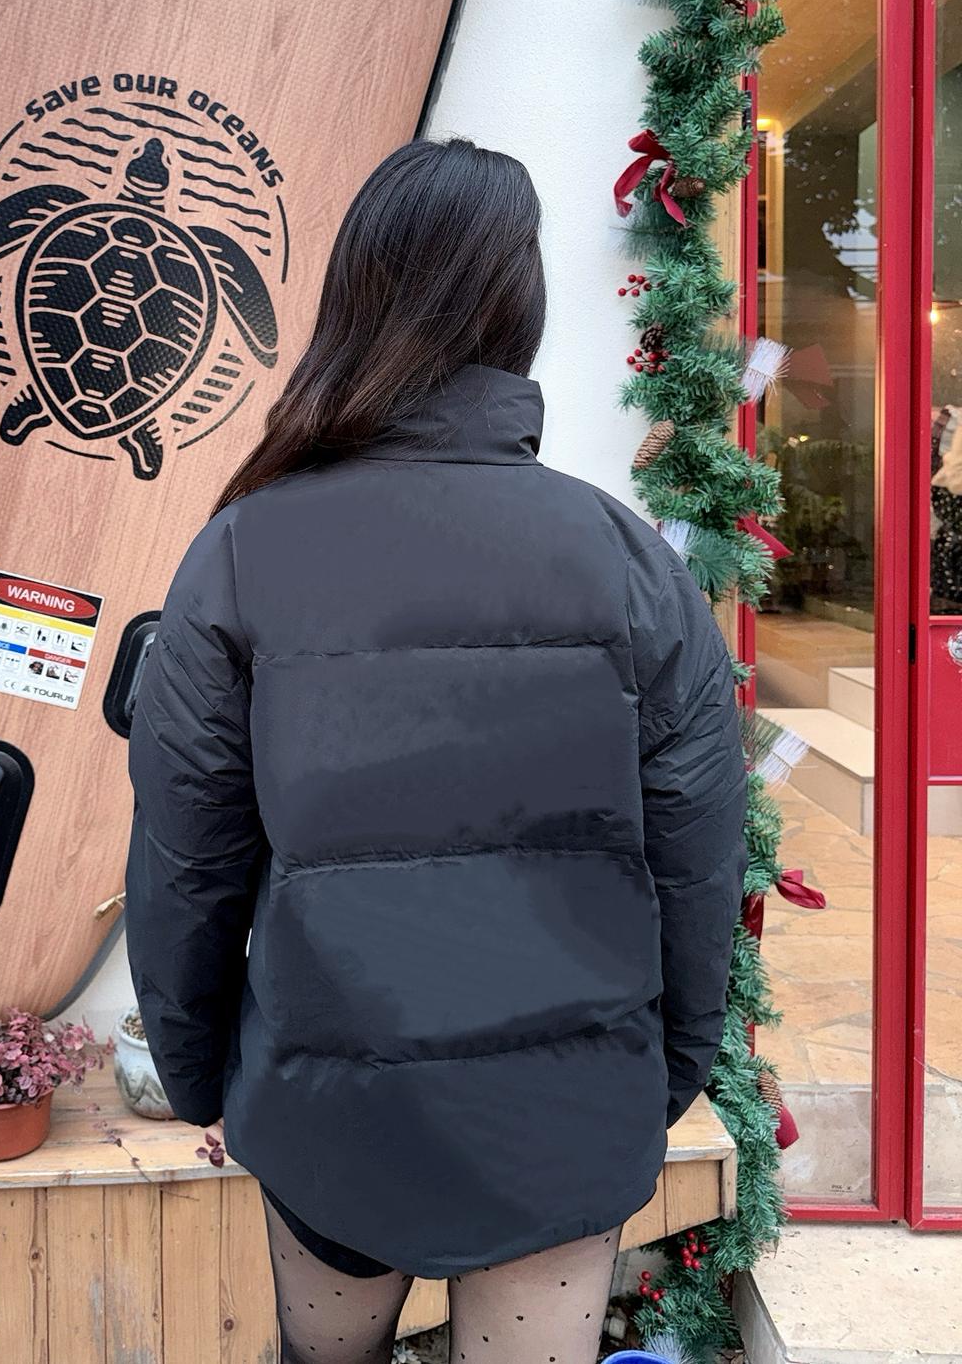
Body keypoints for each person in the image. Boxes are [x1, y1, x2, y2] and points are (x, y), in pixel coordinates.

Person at [126, 137, 747, 1364]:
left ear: (351, 299)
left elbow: (186, 860)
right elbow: (696, 854)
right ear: (519, 304)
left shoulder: (243, 552)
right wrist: (664, 1069)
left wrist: (202, 1074)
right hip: (559, 1110)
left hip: (330, 1105)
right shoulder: (625, 559)